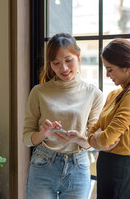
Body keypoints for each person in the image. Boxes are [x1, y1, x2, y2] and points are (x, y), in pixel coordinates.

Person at [23, 33, 104, 199]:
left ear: (78, 56)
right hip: (43, 164)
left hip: (78, 165)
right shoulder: (38, 92)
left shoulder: (93, 94)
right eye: (56, 63)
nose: (64, 68)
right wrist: (44, 134)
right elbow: (26, 138)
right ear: (50, 64)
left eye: (69, 60)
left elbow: (93, 141)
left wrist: (78, 138)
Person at [88, 38, 130, 199]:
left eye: (110, 69)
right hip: (107, 168)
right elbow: (92, 132)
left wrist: (98, 139)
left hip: (119, 171)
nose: (107, 74)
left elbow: (106, 138)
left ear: (127, 68)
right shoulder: (114, 94)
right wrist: (97, 138)